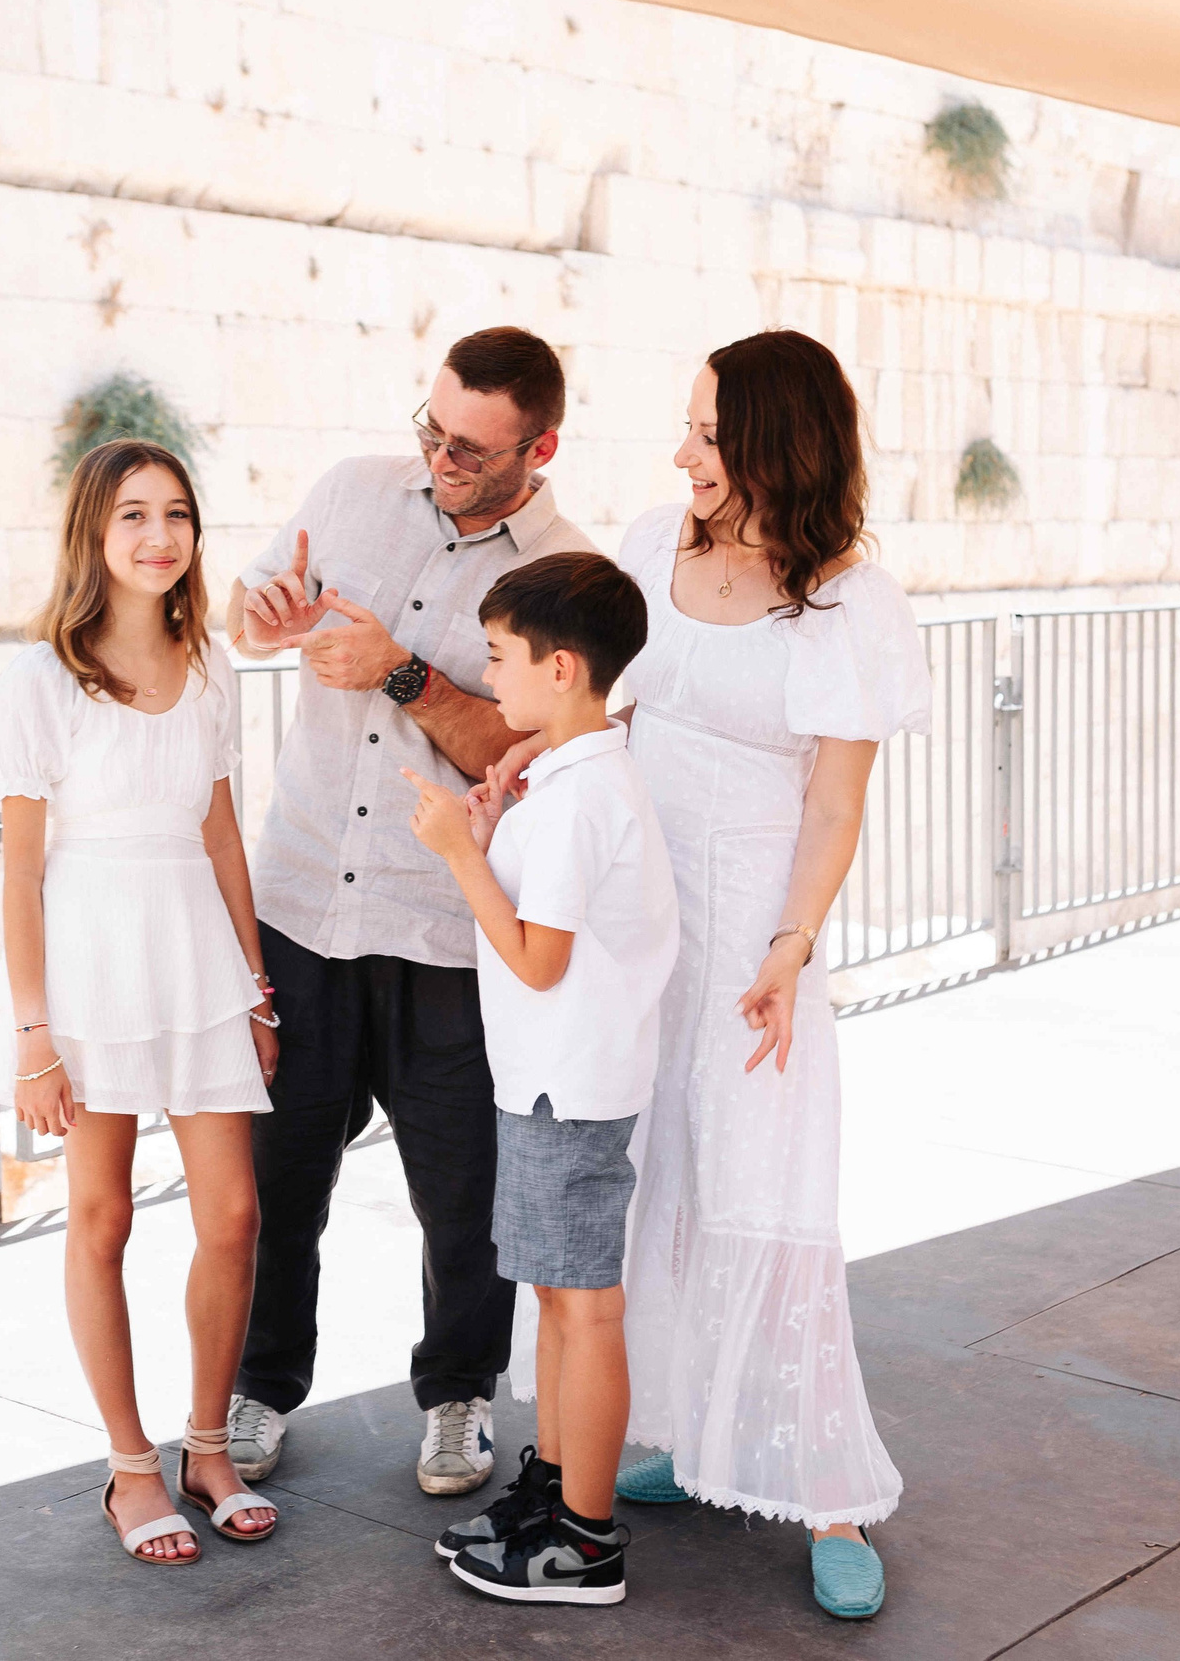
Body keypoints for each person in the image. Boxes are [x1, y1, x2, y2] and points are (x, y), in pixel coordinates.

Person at [226, 328, 599, 1497]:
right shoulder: (348, 490)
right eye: (433, 431)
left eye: (473, 449)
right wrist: (262, 613)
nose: (442, 457)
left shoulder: (569, 575)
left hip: (445, 929)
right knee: (278, 1177)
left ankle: (457, 1397)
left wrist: (400, 671)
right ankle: (257, 1385)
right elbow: (244, 616)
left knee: (462, 1194)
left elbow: (527, 756)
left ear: (538, 449)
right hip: (300, 904)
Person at [608, 330, 931, 1619]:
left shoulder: (852, 602)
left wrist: (790, 949)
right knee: (658, 1176)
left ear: (772, 444)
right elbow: (611, 709)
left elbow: (835, 806)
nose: (682, 453)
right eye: (687, 427)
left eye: (707, 432)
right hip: (643, 916)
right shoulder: (651, 546)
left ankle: (826, 1493)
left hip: (755, 928)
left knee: (766, 1185)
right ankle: (695, 1432)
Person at [0, 439, 283, 1566]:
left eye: (177, 514)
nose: (160, 536)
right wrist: (33, 1034)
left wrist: (256, 988)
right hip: (90, 960)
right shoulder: (41, 678)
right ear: (93, 535)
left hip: (197, 954)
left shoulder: (209, 664)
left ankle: (207, 1448)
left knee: (233, 1216)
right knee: (101, 1216)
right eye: (133, 515)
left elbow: (222, 836)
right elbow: (21, 867)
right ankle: (129, 1467)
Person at [403, 552, 678, 1607]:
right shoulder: (570, 779)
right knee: (561, 1301)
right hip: (552, 1079)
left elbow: (538, 959)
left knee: (583, 1307)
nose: (489, 675)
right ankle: (554, 1499)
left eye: (499, 656)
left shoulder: (576, 797)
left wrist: (456, 853)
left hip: (567, 1084)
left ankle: (586, 1542)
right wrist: (484, 834)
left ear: (559, 668)